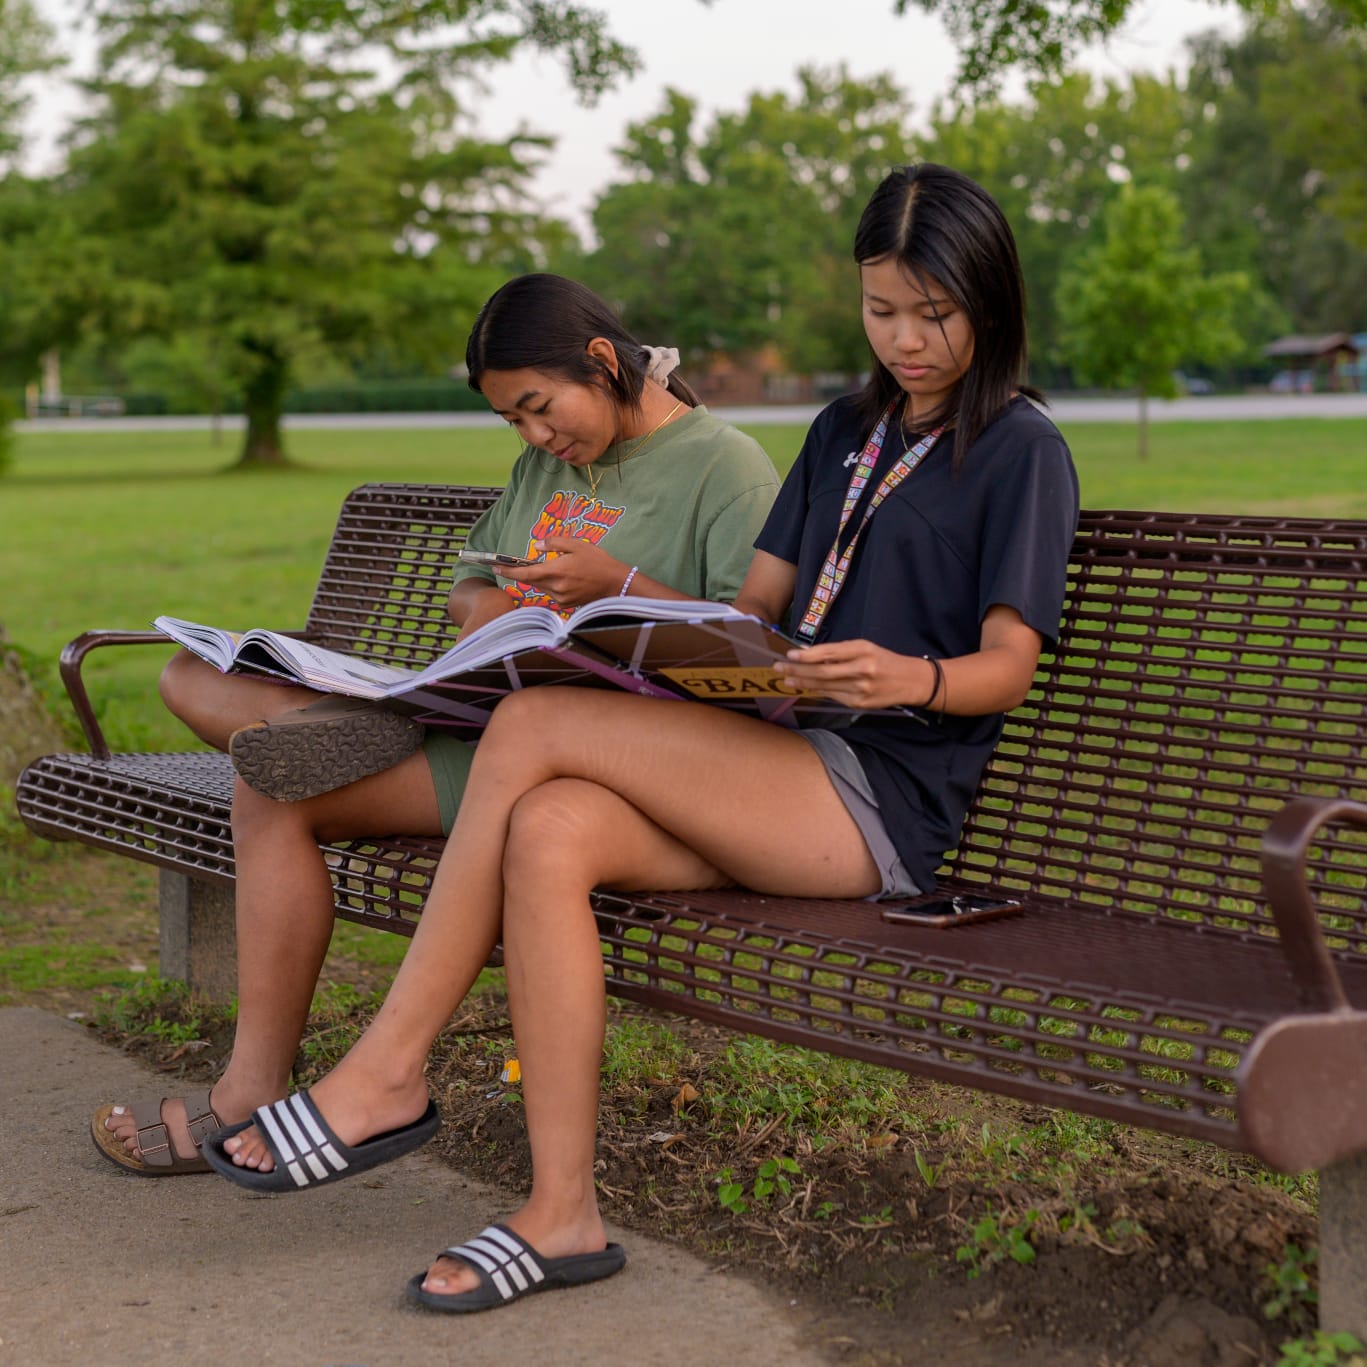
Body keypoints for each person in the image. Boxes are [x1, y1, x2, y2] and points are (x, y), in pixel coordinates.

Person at [201, 163, 1081, 1316]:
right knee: (550, 825)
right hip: (770, 754)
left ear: (991, 298)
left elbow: (1005, 665)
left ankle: (387, 1068)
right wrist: (625, 610)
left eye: (935, 312)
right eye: (881, 310)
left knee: (536, 724)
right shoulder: (841, 429)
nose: (906, 339)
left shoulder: (1020, 449)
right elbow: (752, 612)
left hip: (876, 795)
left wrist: (906, 673)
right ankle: (561, 1211)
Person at [93, 273, 781, 1175]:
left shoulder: (725, 466)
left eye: (538, 408)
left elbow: (752, 650)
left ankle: (356, 731)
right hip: (489, 718)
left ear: (603, 361)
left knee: (279, 777)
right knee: (231, 726)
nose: (535, 437)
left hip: (603, 765)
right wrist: (487, 609)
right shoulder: (547, 467)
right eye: (514, 423)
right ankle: (253, 1080)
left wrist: (616, 588)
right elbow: (468, 579)